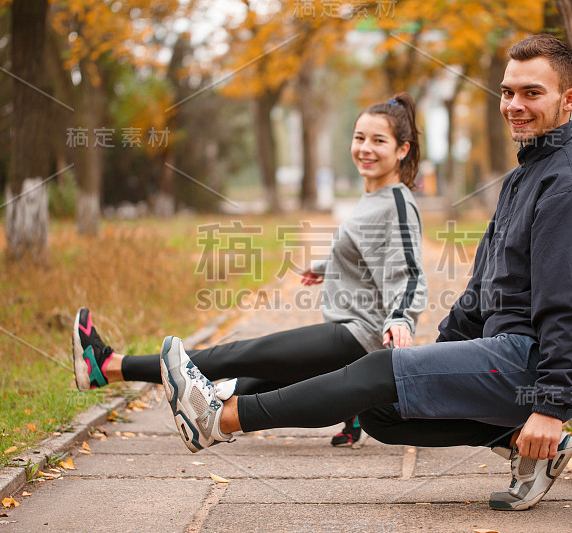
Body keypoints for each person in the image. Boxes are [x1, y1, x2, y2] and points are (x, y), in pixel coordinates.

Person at [160, 33, 572, 512]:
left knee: (376, 372)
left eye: (533, 93)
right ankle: (519, 444)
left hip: (532, 364)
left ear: (569, 100)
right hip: (508, 352)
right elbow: (484, 288)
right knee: (380, 411)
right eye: (508, 92)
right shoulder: (525, 177)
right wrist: (446, 354)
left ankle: (221, 418)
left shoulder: (571, 188)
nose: (514, 104)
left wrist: (551, 407)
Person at [72, 92, 429, 448]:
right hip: (349, 332)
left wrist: (401, 317)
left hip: (360, 336)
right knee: (252, 383)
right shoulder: (377, 198)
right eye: (359, 137)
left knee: (237, 355)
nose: (365, 148)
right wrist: (328, 265)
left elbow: (409, 271)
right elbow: (373, 249)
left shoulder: (397, 201)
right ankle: (354, 409)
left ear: (402, 150)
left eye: (378, 140)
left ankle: (108, 366)